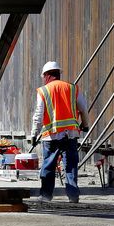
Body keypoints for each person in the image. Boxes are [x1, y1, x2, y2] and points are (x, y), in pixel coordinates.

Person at [30, 61, 89, 203]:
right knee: (70, 167)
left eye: (43, 76)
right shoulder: (72, 89)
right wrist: (85, 125)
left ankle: (45, 196)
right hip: (70, 135)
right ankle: (73, 196)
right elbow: (83, 108)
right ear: (58, 74)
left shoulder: (43, 91)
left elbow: (38, 115)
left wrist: (34, 133)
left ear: (47, 75)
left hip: (51, 137)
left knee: (48, 166)